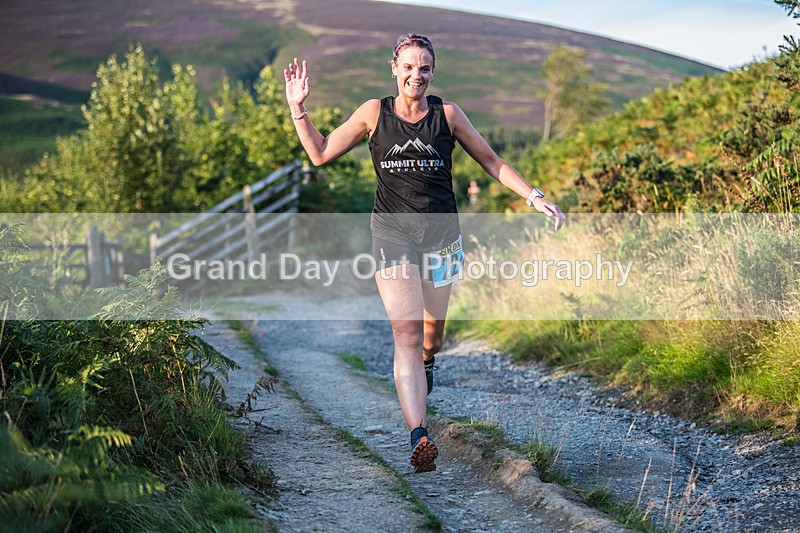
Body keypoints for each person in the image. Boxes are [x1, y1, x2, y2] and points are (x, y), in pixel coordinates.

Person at [284, 34, 564, 474]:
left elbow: (491, 161)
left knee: (432, 335)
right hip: (391, 236)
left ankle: (428, 363)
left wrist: (534, 196)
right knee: (407, 335)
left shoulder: (447, 115)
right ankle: (419, 433)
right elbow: (319, 154)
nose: (417, 75)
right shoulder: (373, 113)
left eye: (425, 68)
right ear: (393, 68)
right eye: (409, 67)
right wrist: (298, 109)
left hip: (444, 239)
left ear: (433, 72)